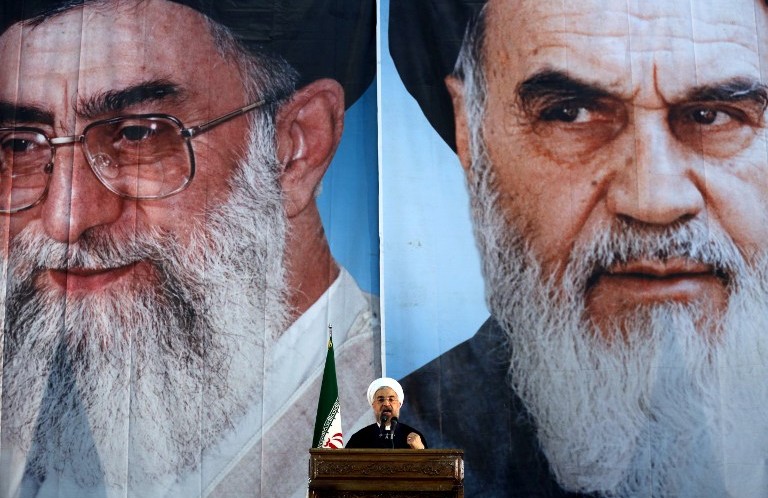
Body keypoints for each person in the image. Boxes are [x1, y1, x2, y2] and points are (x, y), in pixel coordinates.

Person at [0, 1, 379, 497]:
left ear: (294, 148)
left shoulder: (409, 429)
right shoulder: (21, 436)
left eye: (138, 134)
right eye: (19, 145)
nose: (65, 219)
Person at [390, 0, 768, 496]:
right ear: (470, 130)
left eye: (711, 116)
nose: (654, 201)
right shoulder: (399, 459)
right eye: (571, 114)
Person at [346, 378, 427, 449]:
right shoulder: (359, 438)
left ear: (399, 404)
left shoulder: (413, 437)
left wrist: (420, 450)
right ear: (373, 405)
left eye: (391, 399)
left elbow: (428, 462)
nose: (386, 404)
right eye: (381, 400)